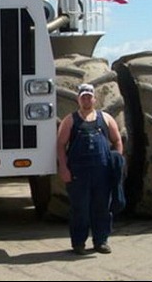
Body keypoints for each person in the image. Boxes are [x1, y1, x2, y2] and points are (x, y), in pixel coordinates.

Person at [56, 83, 124, 255]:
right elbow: (60, 145)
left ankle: (101, 241)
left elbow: (117, 141)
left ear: (94, 99)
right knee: (80, 209)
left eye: (89, 96)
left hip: (102, 172)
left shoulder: (106, 118)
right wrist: (63, 168)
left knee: (101, 208)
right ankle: (78, 243)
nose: (86, 99)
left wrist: (116, 161)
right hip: (78, 173)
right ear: (78, 99)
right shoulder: (70, 120)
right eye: (83, 96)